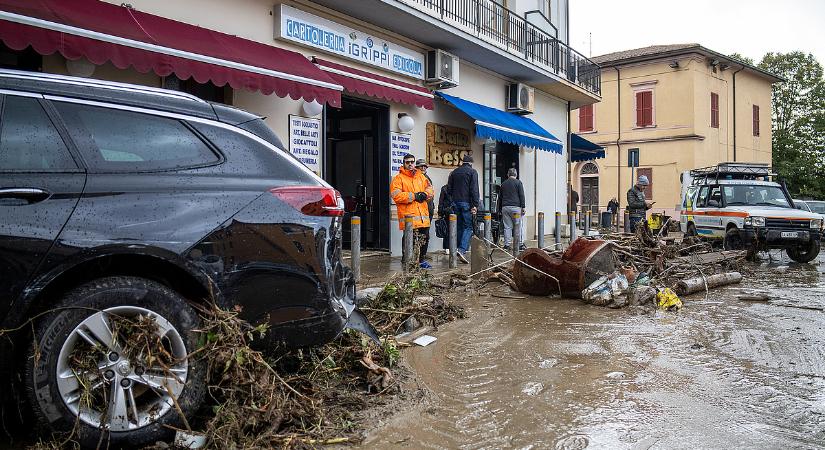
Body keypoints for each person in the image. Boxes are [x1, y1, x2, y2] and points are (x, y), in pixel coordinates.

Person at [391, 154, 434, 269]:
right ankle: (407, 260)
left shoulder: (421, 177)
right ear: (403, 164)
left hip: (422, 216)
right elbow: (396, 196)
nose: (410, 164)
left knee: (424, 238)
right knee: (409, 239)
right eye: (407, 162)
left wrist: (425, 194)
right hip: (409, 216)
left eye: (412, 162)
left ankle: (421, 260)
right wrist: (414, 196)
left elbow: (430, 189)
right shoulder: (398, 179)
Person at [446, 154, 480, 264]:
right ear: (471, 163)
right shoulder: (472, 172)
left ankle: (455, 250)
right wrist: (475, 204)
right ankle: (462, 249)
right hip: (466, 203)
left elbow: (449, 189)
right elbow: (474, 189)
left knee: (459, 227)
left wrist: (452, 200)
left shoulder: (454, 172)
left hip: (455, 203)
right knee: (468, 227)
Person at [497, 168, 525, 252]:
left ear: (508, 175)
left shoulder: (503, 184)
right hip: (516, 208)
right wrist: (523, 207)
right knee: (518, 226)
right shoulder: (518, 182)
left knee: (507, 227)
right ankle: (519, 244)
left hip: (505, 208)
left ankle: (507, 245)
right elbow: (521, 195)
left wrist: (499, 209)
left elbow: (500, 197)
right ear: (515, 174)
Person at [437, 184, 454, 254]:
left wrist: (440, 213)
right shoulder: (460, 188)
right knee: (452, 229)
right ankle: (452, 247)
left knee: (447, 229)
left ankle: (447, 247)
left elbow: (441, 201)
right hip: (455, 211)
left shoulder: (444, 188)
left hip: (447, 211)